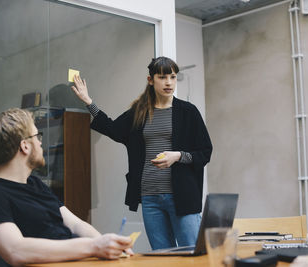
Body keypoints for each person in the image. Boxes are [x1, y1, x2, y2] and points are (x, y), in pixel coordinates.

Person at [71, 56, 213, 250]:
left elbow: (205, 152)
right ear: (151, 80)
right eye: (162, 77)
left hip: (183, 195)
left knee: (192, 253)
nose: (169, 82)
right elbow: (113, 128)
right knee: (162, 256)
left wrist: (178, 156)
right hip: (150, 198)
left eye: (172, 77)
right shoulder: (139, 112)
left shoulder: (188, 112)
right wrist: (88, 101)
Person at [0, 108, 133, 266]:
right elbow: (15, 250)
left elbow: (76, 224)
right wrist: (95, 247)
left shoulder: (36, 185)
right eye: (37, 136)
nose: (41, 142)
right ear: (25, 146)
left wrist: (109, 246)